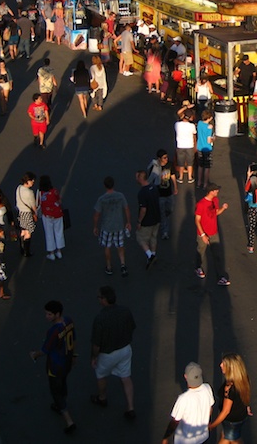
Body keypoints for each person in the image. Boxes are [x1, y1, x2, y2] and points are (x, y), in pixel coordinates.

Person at [29, 300, 77, 434]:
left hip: (55, 366)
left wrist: (34, 355)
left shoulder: (54, 331)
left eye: (49, 314)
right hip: (67, 361)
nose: (47, 317)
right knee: (63, 382)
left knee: (56, 391)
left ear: (57, 314)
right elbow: (74, 339)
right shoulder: (69, 321)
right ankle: (63, 400)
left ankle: (68, 420)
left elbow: (45, 350)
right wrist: (74, 356)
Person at [90, 286, 137, 419]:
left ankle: (102, 398)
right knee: (126, 377)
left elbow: (96, 344)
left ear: (104, 299)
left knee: (101, 375)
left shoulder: (100, 318)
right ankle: (130, 407)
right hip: (125, 349)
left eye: (99, 297)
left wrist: (94, 357)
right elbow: (132, 327)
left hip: (107, 354)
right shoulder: (125, 311)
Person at [160, 362, 215, 444]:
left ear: (186, 377)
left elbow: (175, 422)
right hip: (203, 437)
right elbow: (210, 409)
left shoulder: (183, 399)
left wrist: (165, 437)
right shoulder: (207, 388)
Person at [92, 176, 132, 277]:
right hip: (119, 225)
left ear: (105, 186)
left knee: (107, 246)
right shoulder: (120, 196)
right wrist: (128, 222)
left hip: (106, 227)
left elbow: (97, 214)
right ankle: (123, 264)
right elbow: (126, 209)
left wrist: (95, 226)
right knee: (120, 245)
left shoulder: (102, 199)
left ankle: (109, 266)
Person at [208, 353, 252, 443]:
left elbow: (225, 411)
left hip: (232, 420)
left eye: (224, 364)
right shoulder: (242, 379)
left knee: (230, 438)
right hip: (241, 415)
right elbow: (245, 394)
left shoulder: (229, 388)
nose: (220, 365)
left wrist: (212, 426)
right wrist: (247, 406)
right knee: (229, 436)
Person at [195, 183, 230, 285]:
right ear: (211, 191)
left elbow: (216, 212)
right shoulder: (201, 204)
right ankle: (197, 267)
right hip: (203, 233)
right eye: (215, 190)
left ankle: (220, 277)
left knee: (217, 255)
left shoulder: (215, 200)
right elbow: (197, 220)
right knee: (200, 252)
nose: (217, 192)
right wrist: (203, 235)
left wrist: (223, 208)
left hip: (214, 232)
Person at [147, 150, 178, 241]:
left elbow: (172, 175)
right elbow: (150, 180)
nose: (166, 159)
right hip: (159, 195)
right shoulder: (155, 167)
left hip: (169, 192)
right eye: (164, 158)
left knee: (170, 209)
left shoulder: (169, 165)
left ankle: (160, 218)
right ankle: (165, 231)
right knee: (163, 214)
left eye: (167, 157)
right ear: (159, 159)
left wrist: (175, 187)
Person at [136, 169, 161, 270]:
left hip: (147, 221)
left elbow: (143, 209)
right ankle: (153, 254)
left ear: (140, 179)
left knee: (140, 238)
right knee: (153, 237)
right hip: (157, 218)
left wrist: (139, 221)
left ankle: (150, 255)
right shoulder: (154, 187)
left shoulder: (142, 193)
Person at [38, 175, 66, 261]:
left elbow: (38, 204)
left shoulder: (40, 193)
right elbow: (59, 200)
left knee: (49, 233)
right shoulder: (54, 191)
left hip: (47, 215)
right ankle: (59, 251)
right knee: (59, 231)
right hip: (57, 214)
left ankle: (51, 253)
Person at [14, 172, 38, 257]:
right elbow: (33, 205)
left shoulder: (19, 188)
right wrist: (35, 213)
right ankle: (26, 251)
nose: (33, 182)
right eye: (32, 180)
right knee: (28, 232)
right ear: (28, 181)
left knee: (22, 230)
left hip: (20, 212)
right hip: (27, 213)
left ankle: (21, 248)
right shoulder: (29, 192)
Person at [174, 110, 197, 184]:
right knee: (190, 163)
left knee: (181, 163)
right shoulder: (192, 126)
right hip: (189, 145)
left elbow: (178, 114)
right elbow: (194, 133)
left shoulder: (177, 124)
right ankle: (190, 177)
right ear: (190, 117)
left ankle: (180, 177)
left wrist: (185, 108)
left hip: (180, 146)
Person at [195, 110, 215, 191]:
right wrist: (213, 139)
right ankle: (205, 184)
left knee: (200, 166)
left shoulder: (199, 123)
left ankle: (199, 182)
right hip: (207, 148)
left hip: (199, 147)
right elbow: (209, 141)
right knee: (207, 167)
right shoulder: (209, 128)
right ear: (209, 118)